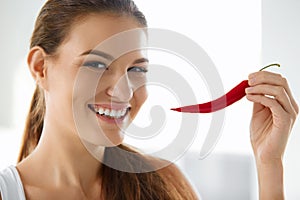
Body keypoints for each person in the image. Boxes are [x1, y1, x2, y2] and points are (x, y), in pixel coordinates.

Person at [0, 0, 298, 199]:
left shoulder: (164, 182)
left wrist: (269, 164)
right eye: (96, 64)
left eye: (137, 69)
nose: (123, 91)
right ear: (40, 67)